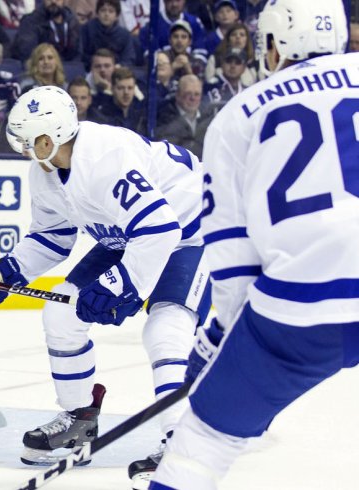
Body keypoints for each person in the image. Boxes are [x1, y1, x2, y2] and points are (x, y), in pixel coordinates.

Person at [0, 85, 210, 488]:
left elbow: (162, 230)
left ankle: (183, 442)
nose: (23, 150)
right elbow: (52, 238)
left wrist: (121, 284)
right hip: (131, 237)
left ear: (49, 138)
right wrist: (5, 271)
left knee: (165, 329)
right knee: (61, 313)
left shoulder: (106, 159)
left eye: (28, 142)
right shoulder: (45, 170)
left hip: (192, 235)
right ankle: (79, 417)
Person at [150, 1, 356, 488]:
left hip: (305, 309)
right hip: (309, 300)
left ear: (273, 44)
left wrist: (214, 352)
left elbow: (235, 274)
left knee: (202, 442)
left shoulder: (241, 113)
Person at [154, 74, 212, 158]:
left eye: (197, 94)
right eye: (188, 94)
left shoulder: (208, 117)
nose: (193, 98)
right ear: (178, 95)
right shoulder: (163, 117)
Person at [12, 0, 80, 62]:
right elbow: (28, 53)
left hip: (68, 70)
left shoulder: (72, 21)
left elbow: (78, 54)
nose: (53, 1)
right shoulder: (30, 22)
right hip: (40, 69)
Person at [80, 0, 136, 69]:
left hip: (116, 71)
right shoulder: (87, 29)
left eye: (111, 11)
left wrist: (116, 67)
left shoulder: (125, 35)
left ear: (117, 16)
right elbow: (81, 54)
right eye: (103, 10)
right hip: (91, 69)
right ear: (97, 13)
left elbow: (128, 58)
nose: (106, 14)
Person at [90, 66, 145, 134]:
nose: (126, 92)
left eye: (130, 88)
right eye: (121, 88)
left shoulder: (142, 113)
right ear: (112, 89)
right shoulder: (102, 114)